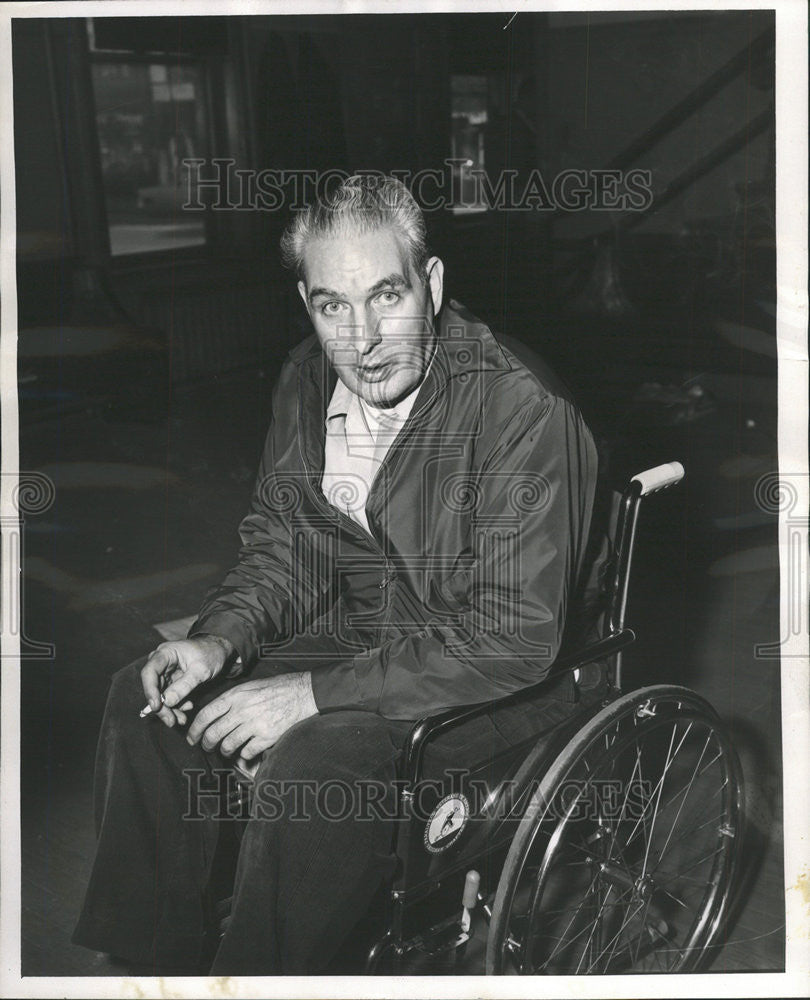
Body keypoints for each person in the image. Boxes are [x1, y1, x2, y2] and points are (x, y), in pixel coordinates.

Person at [72, 174, 600, 975]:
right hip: (374, 636)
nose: (364, 339)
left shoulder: (519, 413)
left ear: (432, 283)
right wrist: (218, 642)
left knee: (314, 760)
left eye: (386, 295)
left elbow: (515, 637)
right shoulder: (307, 381)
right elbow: (288, 544)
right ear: (306, 304)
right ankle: (154, 972)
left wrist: (310, 695)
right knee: (145, 703)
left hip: (511, 679)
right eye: (332, 306)